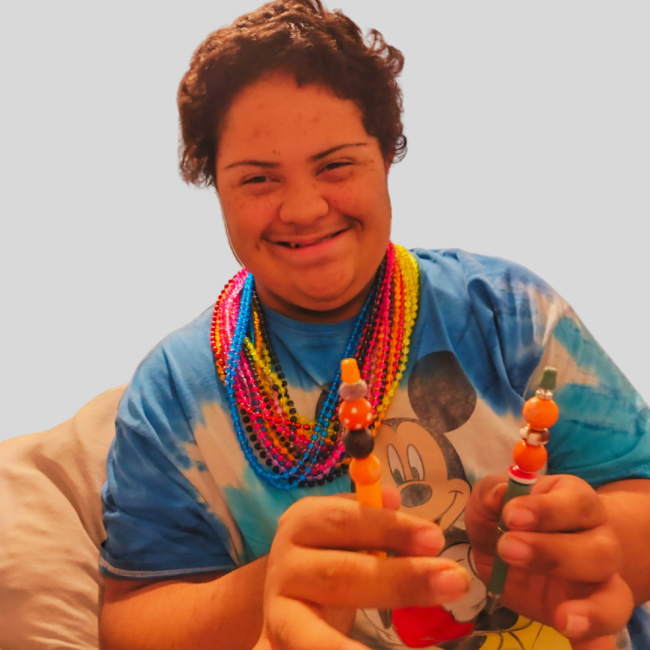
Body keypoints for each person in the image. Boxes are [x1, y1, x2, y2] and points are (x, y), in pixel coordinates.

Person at [98, 1, 650, 649]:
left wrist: (593, 544)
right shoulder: (173, 395)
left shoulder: (509, 312)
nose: (303, 209)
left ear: (386, 156)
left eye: (335, 165)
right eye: (258, 179)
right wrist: (273, 585)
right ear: (213, 184)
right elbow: (130, 618)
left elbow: (635, 496)